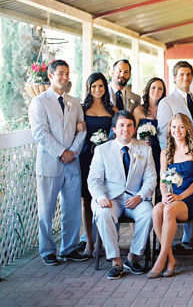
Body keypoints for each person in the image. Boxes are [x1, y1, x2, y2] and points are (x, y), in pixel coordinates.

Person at [28, 59, 88, 265]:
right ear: (51, 75)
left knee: (72, 209)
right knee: (46, 210)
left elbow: (82, 129)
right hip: (50, 162)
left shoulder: (75, 102)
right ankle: (47, 251)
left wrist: (72, 152)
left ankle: (69, 248)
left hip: (72, 162)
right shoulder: (39, 102)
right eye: (61, 73)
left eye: (67, 73)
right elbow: (40, 132)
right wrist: (61, 152)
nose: (64, 77)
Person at [88, 110, 156, 280]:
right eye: (122, 125)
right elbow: (94, 179)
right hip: (111, 199)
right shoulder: (102, 150)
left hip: (135, 198)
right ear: (114, 129)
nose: (126, 129)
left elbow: (151, 178)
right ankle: (116, 261)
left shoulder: (145, 149)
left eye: (129, 125)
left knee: (149, 213)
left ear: (134, 129)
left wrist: (140, 196)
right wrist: (101, 197)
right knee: (103, 213)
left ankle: (133, 256)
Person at [149, 114, 193, 278]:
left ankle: (161, 259)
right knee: (157, 210)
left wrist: (180, 197)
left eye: (181, 127)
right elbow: (163, 180)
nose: (177, 130)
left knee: (169, 210)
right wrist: (165, 195)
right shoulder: (165, 153)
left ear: (187, 129)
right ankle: (170, 258)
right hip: (173, 197)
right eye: (174, 127)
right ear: (170, 130)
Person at [157, 61, 193, 246]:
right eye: (181, 74)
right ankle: (174, 241)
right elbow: (165, 134)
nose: (186, 78)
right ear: (174, 77)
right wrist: (172, 159)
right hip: (177, 159)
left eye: (188, 74)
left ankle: (191, 239)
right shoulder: (166, 102)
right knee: (176, 195)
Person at [78, 73, 116, 257]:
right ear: (89, 88)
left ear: (105, 87)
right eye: (94, 86)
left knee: (105, 196)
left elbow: (117, 133)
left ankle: (104, 241)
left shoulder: (111, 109)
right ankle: (89, 242)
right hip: (86, 156)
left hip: (106, 158)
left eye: (100, 86)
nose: (97, 90)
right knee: (86, 198)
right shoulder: (81, 109)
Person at [133, 77, 166, 174]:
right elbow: (132, 134)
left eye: (160, 88)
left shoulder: (165, 110)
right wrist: (140, 143)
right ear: (148, 90)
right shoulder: (139, 110)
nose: (156, 91)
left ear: (163, 92)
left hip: (163, 151)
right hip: (145, 151)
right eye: (153, 87)